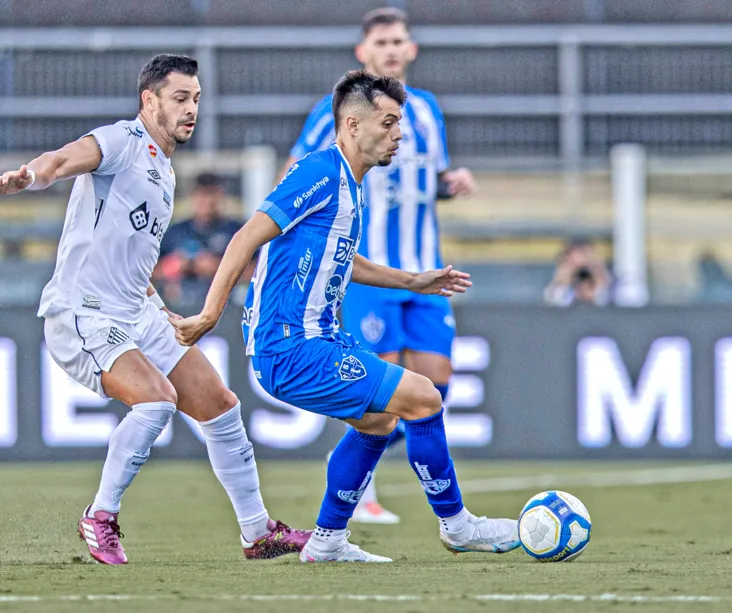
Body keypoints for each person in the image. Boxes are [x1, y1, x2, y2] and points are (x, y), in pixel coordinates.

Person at [171, 69, 520, 563]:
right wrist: (209, 313)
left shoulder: (351, 185)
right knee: (423, 397)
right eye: (390, 122)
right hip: (291, 348)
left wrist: (412, 280)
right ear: (353, 124)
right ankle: (458, 525)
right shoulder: (318, 171)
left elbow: (342, 259)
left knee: (378, 423)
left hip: (321, 340)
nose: (399, 134)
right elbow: (246, 236)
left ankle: (328, 540)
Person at [0, 54, 310, 565]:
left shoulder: (163, 170)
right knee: (156, 401)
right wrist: (28, 177)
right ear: (149, 100)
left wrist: (156, 305)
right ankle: (99, 515)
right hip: (84, 314)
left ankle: (258, 532)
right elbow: (59, 160)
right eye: (180, 98)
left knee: (221, 407)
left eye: (196, 100)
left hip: (135, 311)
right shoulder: (122, 142)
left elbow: (133, 255)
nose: (192, 110)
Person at [281, 6, 475, 524]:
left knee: (435, 381)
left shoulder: (428, 109)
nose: (391, 49)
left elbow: (427, 179)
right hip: (369, 273)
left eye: (398, 42)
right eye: (381, 43)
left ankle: (360, 463)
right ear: (363, 53)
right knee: (381, 394)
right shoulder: (335, 110)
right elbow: (298, 170)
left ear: (411, 50)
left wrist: (450, 184)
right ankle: (359, 484)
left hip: (426, 271)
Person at [155, 172, 256, 308]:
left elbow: (257, 271)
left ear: (220, 196)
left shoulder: (236, 231)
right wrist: (174, 266)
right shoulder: (175, 231)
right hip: (179, 307)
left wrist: (219, 268)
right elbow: (147, 271)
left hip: (226, 310)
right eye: (202, 194)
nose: (206, 201)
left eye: (211, 194)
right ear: (193, 196)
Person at [544, 238, 612, 307]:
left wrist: (599, 277)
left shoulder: (612, 286)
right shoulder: (560, 290)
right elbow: (554, 304)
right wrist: (562, 283)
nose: (582, 276)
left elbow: (607, 301)